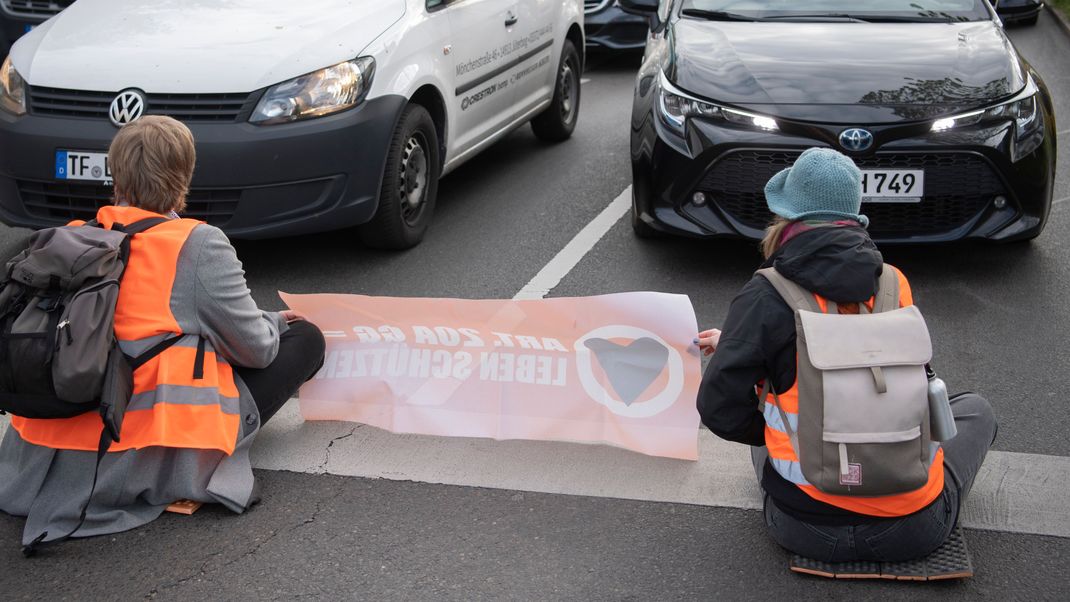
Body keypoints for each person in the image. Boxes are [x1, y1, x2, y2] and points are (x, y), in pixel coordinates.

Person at [0, 115, 326, 546]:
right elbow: (257, 350)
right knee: (306, 339)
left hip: (32, 458)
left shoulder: (71, 236)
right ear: (184, 175)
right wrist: (272, 319)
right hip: (135, 453)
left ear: (115, 175)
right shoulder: (196, 243)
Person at [695, 147, 997, 563]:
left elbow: (717, 407)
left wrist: (742, 350)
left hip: (805, 528)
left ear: (786, 216)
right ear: (855, 214)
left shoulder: (765, 295)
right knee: (976, 410)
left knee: (773, 415)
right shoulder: (895, 284)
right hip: (912, 530)